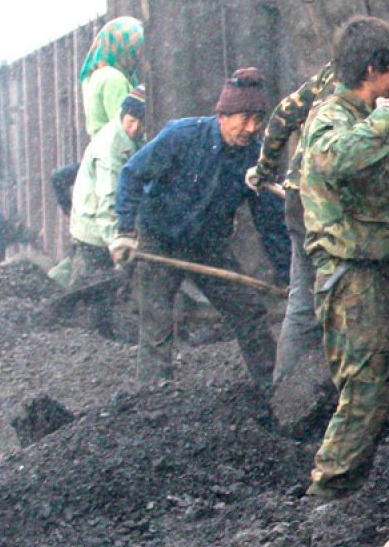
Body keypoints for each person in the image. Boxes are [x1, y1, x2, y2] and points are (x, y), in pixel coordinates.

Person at [248, 5, 389, 388]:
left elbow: (284, 114)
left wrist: (265, 168)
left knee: (303, 304)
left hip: (299, 195)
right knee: (372, 301)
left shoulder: (336, 72)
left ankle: (288, 390)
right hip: (342, 210)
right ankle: (372, 392)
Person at [295, 16, 389, 498]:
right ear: (373, 68)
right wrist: (387, 118)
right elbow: (335, 160)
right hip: (353, 281)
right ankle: (329, 492)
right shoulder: (333, 118)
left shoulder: (365, 120)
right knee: (366, 390)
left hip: (385, 275)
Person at [113, 69, 289, 388]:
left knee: (248, 313)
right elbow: (132, 174)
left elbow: (271, 223)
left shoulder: (254, 158)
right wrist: (125, 231)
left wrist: (288, 275)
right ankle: (153, 402)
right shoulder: (181, 136)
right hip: (160, 240)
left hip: (209, 247)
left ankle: (275, 392)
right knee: (156, 325)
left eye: (258, 119)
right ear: (223, 115)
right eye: (244, 118)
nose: (251, 128)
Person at [68, 86, 148, 283]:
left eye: (142, 123)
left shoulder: (134, 139)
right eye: (131, 120)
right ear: (123, 114)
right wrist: (117, 244)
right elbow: (108, 198)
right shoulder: (111, 148)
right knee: (92, 292)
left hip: (107, 227)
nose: (135, 128)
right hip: (94, 231)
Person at [79, 17, 145, 136]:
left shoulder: (93, 76)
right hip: (117, 150)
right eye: (134, 48)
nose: (137, 55)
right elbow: (125, 129)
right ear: (123, 47)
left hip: (100, 149)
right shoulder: (114, 79)